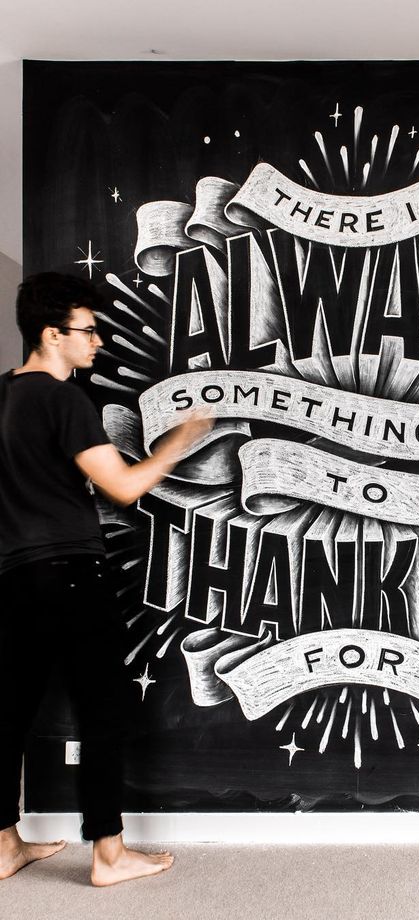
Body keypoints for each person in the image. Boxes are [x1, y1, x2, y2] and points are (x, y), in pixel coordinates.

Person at [0, 272, 211, 886]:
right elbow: (122, 488)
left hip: (14, 575)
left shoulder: (3, 396)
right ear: (51, 334)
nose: (96, 343)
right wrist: (179, 441)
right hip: (71, 571)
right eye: (87, 332)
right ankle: (109, 854)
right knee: (104, 709)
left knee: (8, 710)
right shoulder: (63, 400)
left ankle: (6, 845)